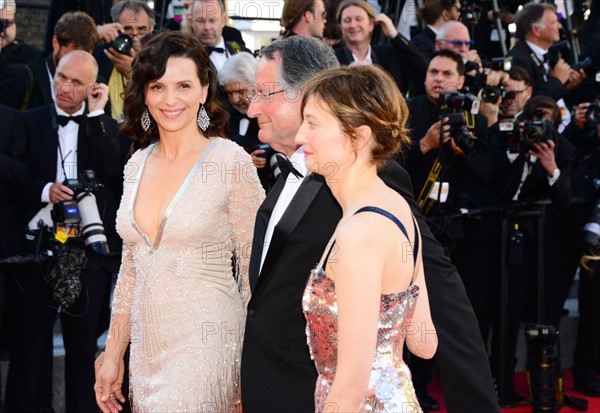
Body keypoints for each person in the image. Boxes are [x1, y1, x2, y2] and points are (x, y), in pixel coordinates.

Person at [241, 35, 499, 413]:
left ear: (356, 134)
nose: (250, 109)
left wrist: (478, 405)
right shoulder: (375, 202)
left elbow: (445, 300)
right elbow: (422, 340)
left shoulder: (370, 205)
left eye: (264, 93)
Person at [94, 31, 264, 413]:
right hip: (148, 347)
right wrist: (112, 353)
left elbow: (258, 270)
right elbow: (130, 271)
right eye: (158, 86)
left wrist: (256, 366)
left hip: (208, 340)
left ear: (204, 90)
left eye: (184, 85)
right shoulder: (136, 165)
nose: (170, 100)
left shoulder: (229, 161)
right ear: (145, 92)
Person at [296, 64, 437, 412]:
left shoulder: (358, 233)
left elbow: (352, 385)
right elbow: (423, 341)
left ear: (358, 137)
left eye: (313, 123)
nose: (300, 136)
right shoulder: (398, 209)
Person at [4, 50, 122, 413]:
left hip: (88, 252)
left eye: (75, 82)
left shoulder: (104, 125)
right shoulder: (30, 121)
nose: (64, 88)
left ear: (92, 87)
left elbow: (113, 169)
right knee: (30, 347)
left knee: (83, 348)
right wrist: (45, 189)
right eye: (60, 78)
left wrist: (99, 113)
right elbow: (15, 178)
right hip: (37, 248)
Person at [0, 11, 99, 111]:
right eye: (70, 56)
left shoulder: (95, 88)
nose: (76, 64)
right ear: (55, 43)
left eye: (84, 58)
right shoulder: (21, 78)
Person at [334, 0, 427, 95]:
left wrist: (395, 35)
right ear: (340, 26)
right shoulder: (333, 58)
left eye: (359, 19)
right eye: (347, 20)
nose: (353, 25)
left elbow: (421, 67)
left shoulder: (388, 55)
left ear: (371, 24)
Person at [218, 52, 278, 192]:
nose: (235, 99)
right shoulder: (223, 115)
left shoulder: (273, 113)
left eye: (240, 91)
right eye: (229, 93)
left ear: (256, 85)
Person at [94, 0, 156, 124]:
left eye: (141, 30)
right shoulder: (101, 54)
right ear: (115, 27)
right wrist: (95, 33)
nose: (134, 35)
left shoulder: (160, 59)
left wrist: (133, 73)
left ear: (151, 30)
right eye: (127, 29)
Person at [191, 0, 250, 72]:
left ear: (223, 20)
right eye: (200, 21)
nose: (207, 27)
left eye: (212, 20)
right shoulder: (184, 57)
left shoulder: (242, 53)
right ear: (192, 22)